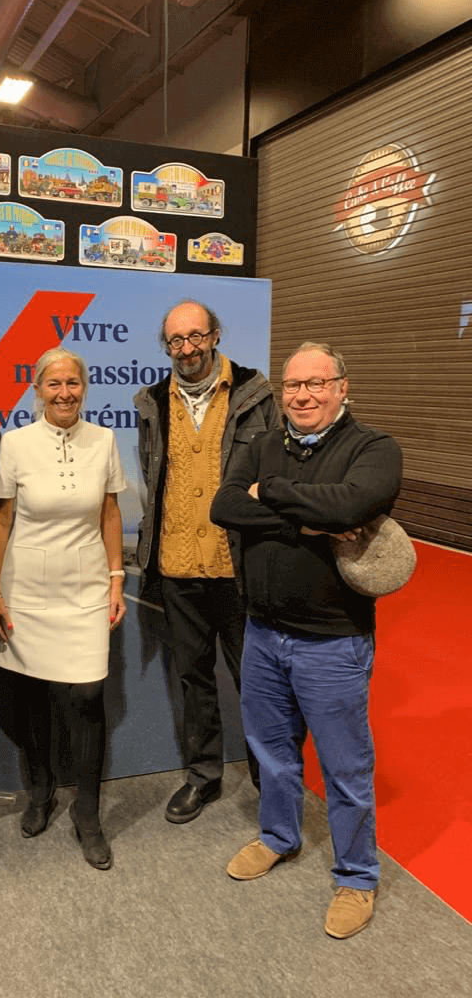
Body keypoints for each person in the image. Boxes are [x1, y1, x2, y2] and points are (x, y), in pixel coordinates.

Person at [210, 342, 403, 939]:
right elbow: (224, 507)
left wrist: (267, 494)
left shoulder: (373, 448)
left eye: (318, 384)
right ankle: (279, 837)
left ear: (343, 387)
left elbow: (356, 501)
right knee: (272, 750)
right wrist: (309, 519)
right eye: (293, 385)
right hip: (263, 634)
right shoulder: (265, 444)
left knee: (346, 766)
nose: (303, 395)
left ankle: (356, 876)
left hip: (333, 641)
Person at [134, 299, 280, 823]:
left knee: (258, 682)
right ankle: (204, 777)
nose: (187, 348)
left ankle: (272, 783)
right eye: (176, 340)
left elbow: (274, 476)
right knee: (193, 680)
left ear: (215, 335)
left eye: (196, 336)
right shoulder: (151, 402)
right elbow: (154, 483)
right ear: (167, 346)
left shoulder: (254, 394)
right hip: (177, 568)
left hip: (238, 567)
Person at [0, 347, 127, 870]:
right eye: (54, 384)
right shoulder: (16, 444)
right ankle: (40, 791)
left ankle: (87, 815)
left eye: (73, 383)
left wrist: (116, 578)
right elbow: (3, 520)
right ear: (38, 390)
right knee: (31, 700)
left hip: (86, 587)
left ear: (84, 389)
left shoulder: (105, 440)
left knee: (87, 698)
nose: (64, 392)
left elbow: (110, 512)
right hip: (26, 589)